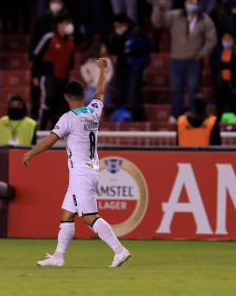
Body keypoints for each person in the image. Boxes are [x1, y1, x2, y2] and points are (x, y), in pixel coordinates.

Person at [22, 59, 131, 268]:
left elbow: (50, 140)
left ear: (66, 97)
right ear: (83, 96)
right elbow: (100, 92)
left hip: (81, 173)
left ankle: (120, 251)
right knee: (67, 213)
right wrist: (102, 69)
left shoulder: (68, 118)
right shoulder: (93, 112)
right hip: (88, 170)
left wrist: (30, 153)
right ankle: (58, 256)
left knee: (89, 217)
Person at [152, 0, 217, 123]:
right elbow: (157, 23)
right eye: (189, 0)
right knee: (176, 89)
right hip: (177, 59)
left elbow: (212, 39)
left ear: (198, 3)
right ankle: (176, 115)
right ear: (185, 2)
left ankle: (193, 114)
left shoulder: (204, 19)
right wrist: (159, 8)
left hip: (194, 60)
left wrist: (202, 54)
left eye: (194, 1)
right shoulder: (175, 16)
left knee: (193, 89)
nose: (191, 3)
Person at [32, 14, 76, 130]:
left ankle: (56, 132)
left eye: (69, 23)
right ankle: (40, 129)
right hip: (48, 75)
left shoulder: (71, 42)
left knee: (61, 105)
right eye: (65, 23)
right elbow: (36, 55)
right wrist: (35, 74)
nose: (68, 26)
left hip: (63, 78)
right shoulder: (49, 38)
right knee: (48, 99)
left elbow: (70, 62)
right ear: (59, 25)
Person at [106, 14, 151, 121]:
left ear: (124, 24)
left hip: (134, 66)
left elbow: (145, 49)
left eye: (118, 26)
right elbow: (113, 50)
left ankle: (138, 116)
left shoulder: (137, 33)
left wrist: (132, 50)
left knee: (133, 92)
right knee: (119, 92)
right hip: (122, 66)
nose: (117, 28)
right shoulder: (116, 35)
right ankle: (121, 114)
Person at [210, 32, 236, 117]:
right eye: (225, 39)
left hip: (233, 81)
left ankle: (232, 119)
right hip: (219, 81)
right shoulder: (216, 50)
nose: (227, 41)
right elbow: (214, 63)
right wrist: (228, 64)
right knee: (220, 101)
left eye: (229, 39)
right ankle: (219, 119)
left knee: (233, 101)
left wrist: (224, 64)